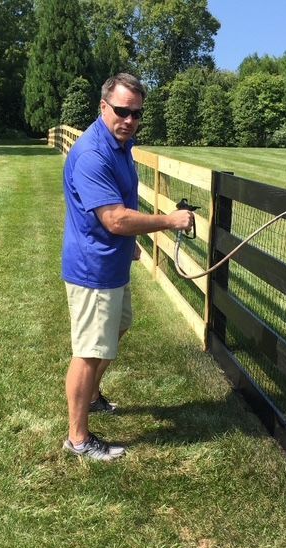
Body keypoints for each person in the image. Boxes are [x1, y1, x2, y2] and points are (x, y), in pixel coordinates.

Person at [61, 73, 194, 461]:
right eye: (122, 111)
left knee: (116, 327)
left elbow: (119, 210)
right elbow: (115, 218)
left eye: (137, 114)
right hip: (94, 269)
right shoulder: (92, 154)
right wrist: (170, 221)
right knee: (88, 350)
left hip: (113, 260)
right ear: (103, 107)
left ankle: (93, 396)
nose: (130, 120)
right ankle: (79, 439)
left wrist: (130, 243)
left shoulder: (121, 142)